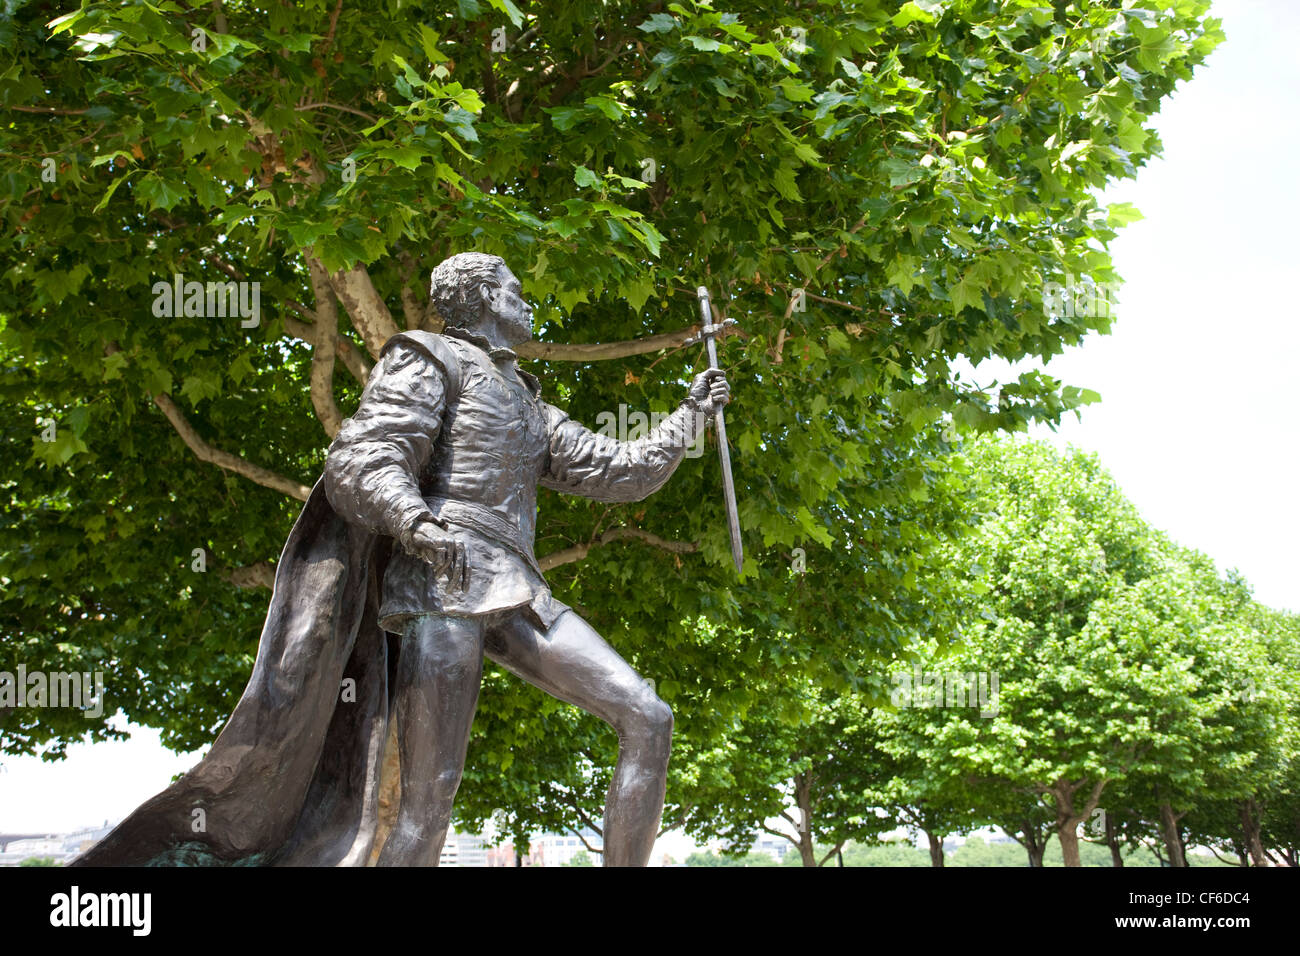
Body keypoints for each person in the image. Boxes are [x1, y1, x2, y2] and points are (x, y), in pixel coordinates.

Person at [73, 252, 728, 868]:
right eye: (518, 293)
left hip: (515, 585)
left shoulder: (528, 402)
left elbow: (618, 470)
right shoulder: (427, 355)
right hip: (439, 578)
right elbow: (363, 455)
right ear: (486, 299)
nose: (529, 306)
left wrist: (692, 413)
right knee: (428, 801)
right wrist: (417, 521)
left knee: (647, 715)